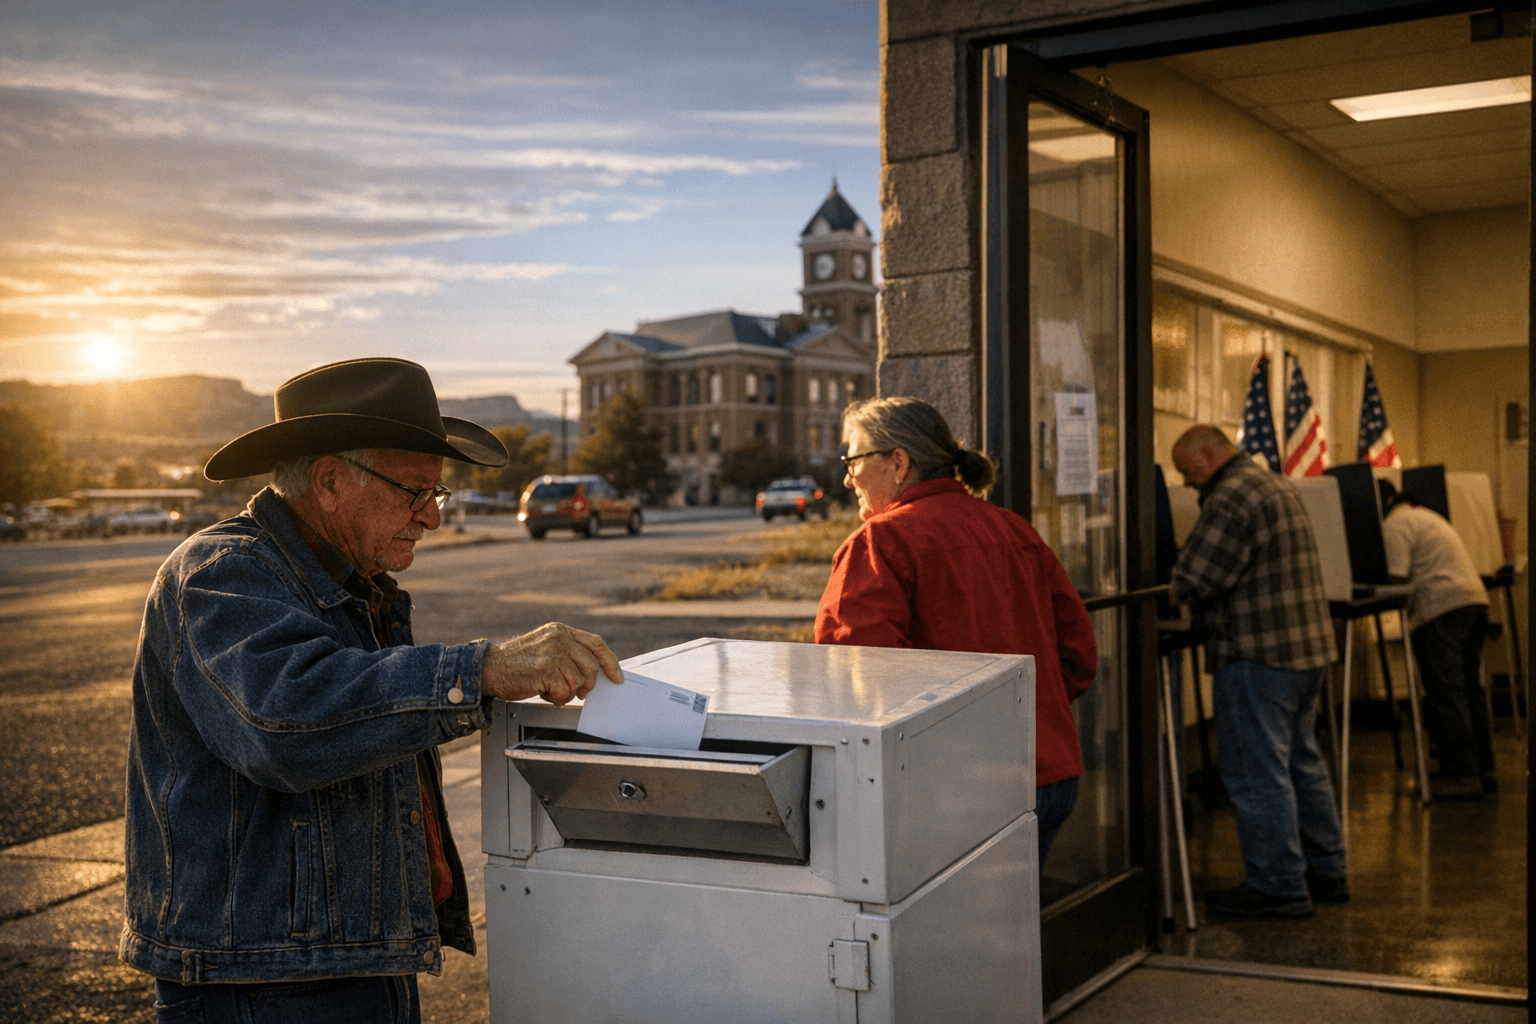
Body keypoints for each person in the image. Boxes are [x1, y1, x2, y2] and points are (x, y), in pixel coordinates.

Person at [120, 358, 624, 1023]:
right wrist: (482, 670)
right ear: (330, 480)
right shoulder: (223, 572)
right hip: (260, 983)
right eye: (416, 490)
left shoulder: (348, 580)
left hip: (339, 961)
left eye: (437, 494)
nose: (432, 517)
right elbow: (284, 721)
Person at [813, 396, 1097, 867]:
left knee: (955, 937)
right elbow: (1078, 654)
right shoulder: (1013, 529)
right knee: (1013, 932)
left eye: (854, 459)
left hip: (954, 787)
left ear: (898, 462)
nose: (847, 478)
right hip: (1047, 773)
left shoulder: (881, 541)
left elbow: (854, 677)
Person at [1169, 424, 1346, 919]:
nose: (1188, 483)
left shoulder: (1231, 496)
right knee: (1302, 765)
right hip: (1304, 650)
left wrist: (1167, 579)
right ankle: (1325, 870)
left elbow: (1196, 577)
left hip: (1259, 653)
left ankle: (1278, 885)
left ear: (1207, 454)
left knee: (1256, 774)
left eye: (1188, 471)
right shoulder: (1272, 482)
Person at [1377, 479, 1493, 800]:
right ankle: (1483, 770)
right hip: (1474, 603)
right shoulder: (1425, 516)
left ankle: (1463, 776)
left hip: (1443, 610)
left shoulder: (1395, 525)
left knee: (1447, 694)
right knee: (1470, 691)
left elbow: (1396, 582)